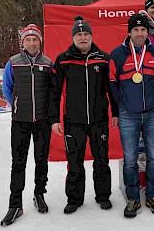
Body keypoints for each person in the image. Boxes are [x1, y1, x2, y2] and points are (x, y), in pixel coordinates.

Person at [49, 16, 118, 214]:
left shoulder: (103, 58)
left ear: (91, 36)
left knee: (102, 160)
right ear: (73, 37)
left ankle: (103, 195)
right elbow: (54, 92)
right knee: (74, 162)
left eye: (86, 34)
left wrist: (115, 112)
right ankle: (74, 198)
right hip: (73, 121)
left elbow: (111, 89)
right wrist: (54, 119)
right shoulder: (63, 60)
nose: (83, 37)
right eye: (79, 34)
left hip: (99, 120)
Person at [109, 13, 154, 218]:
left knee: (153, 157)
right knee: (130, 158)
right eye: (136, 30)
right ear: (129, 32)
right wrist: (119, 107)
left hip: (151, 113)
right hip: (128, 114)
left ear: (147, 32)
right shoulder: (117, 55)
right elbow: (112, 85)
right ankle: (132, 198)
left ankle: (152, 195)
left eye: (143, 30)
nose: (140, 33)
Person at [1, 24, 52, 226]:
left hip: (42, 121)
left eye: (35, 39)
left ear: (40, 41)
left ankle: (39, 194)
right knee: (18, 163)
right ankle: (15, 204)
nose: (31, 43)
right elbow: (7, 88)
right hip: (20, 121)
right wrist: (16, 105)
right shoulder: (13, 63)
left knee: (42, 160)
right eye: (28, 39)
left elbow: (51, 91)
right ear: (23, 42)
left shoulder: (48, 63)